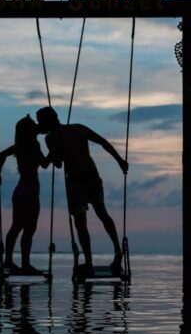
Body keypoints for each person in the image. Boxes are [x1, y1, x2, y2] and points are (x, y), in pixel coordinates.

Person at [36, 106, 128, 275]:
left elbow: (57, 164)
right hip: (92, 176)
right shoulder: (79, 128)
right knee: (103, 214)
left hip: (77, 182)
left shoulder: (50, 138)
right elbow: (103, 142)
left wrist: (50, 155)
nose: (38, 125)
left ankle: (89, 261)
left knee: (81, 224)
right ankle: (117, 250)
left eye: (40, 122)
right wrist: (120, 161)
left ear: (46, 122)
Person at [0, 115, 49, 273]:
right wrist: (54, 153)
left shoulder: (19, 146)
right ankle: (25, 264)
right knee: (29, 229)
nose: (36, 126)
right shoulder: (34, 144)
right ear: (29, 131)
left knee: (16, 227)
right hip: (30, 192)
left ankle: (8, 261)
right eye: (33, 125)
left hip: (19, 192)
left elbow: (1, 155)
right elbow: (44, 164)